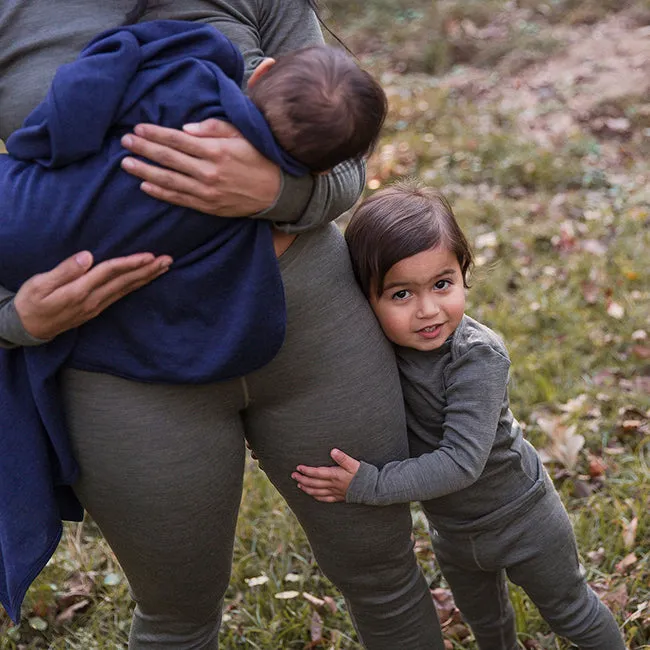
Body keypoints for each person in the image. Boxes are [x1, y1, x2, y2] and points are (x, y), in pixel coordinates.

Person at [0, 2, 444, 649]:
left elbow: (348, 156)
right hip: (130, 376)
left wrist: (272, 190)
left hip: (312, 334)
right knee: (177, 615)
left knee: (383, 573)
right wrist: (15, 317)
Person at [292, 181, 626, 650]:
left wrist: (369, 485)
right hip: (454, 534)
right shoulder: (376, 352)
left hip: (524, 519)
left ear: (463, 272)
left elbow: (462, 462)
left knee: (571, 612)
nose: (428, 310)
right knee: (487, 624)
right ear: (365, 299)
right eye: (401, 294)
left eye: (442, 284)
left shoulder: (477, 358)